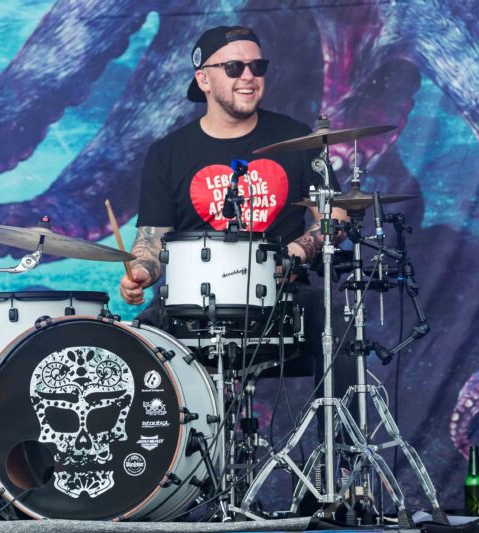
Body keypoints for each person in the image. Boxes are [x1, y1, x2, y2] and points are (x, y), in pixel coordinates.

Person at [118, 25, 352, 400]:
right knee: (135, 344)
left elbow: (337, 214)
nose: (248, 76)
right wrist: (142, 272)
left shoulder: (296, 137)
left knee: (339, 323)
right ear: (203, 80)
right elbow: (152, 239)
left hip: (281, 296)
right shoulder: (168, 153)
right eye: (233, 67)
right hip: (191, 303)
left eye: (257, 66)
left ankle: (341, 436)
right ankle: (172, 439)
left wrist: (298, 251)